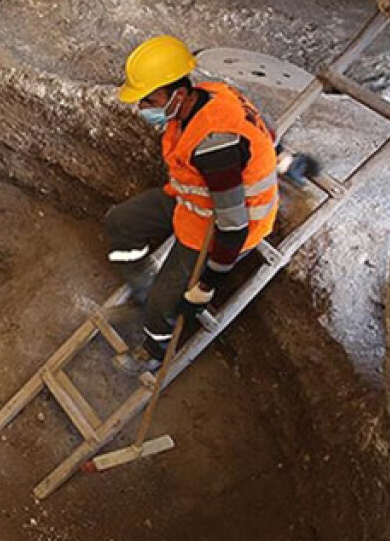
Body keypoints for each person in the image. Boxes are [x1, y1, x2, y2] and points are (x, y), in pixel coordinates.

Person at [106, 35, 283, 375]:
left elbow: (233, 226)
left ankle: (153, 351)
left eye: (149, 99)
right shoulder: (211, 93)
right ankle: (142, 282)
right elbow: (266, 133)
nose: (143, 108)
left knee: (163, 302)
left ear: (180, 93)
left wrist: (206, 285)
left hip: (221, 228)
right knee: (121, 222)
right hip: (192, 201)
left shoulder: (214, 146)